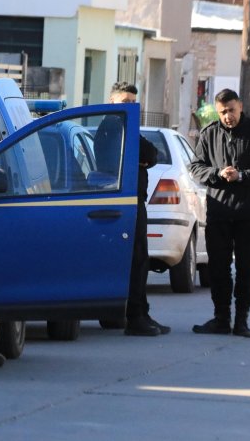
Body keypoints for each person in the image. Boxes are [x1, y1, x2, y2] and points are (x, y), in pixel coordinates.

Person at [188, 88, 250, 338]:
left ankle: (242, 320)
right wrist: (218, 174)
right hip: (219, 212)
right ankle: (221, 318)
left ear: (240, 106)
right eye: (222, 112)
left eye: (231, 110)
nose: (227, 116)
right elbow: (196, 167)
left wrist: (242, 176)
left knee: (247, 268)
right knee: (218, 268)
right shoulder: (209, 134)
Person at [94, 81, 168, 336]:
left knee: (140, 260)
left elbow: (152, 154)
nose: (130, 106)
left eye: (134, 102)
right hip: (124, 203)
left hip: (133, 201)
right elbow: (144, 152)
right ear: (112, 102)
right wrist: (143, 158)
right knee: (135, 260)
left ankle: (141, 313)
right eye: (125, 102)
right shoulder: (113, 127)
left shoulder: (127, 126)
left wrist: (145, 158)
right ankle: (135, 317)